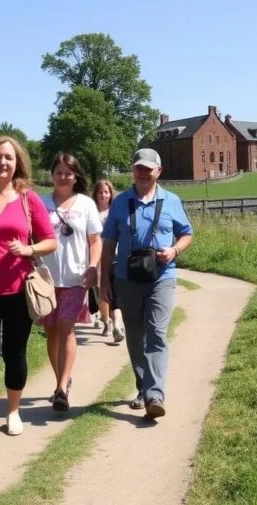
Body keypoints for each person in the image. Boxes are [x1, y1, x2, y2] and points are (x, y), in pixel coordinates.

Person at [0, 136, 57, 445]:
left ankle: (13, 412)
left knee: (14, 352)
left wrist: (28, 249)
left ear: (18, 164)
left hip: (19, 289)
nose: (3, 162)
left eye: (10, 157)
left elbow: (50, 240)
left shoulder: (29, 200)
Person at [100, 148, 193, 420]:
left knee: (157, 333)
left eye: (148, 168)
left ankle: (155, 394)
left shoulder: (172, 201)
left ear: (158, 172)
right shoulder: (120, 203)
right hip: (127, 279)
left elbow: (187, 233)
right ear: (133, 170)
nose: (143, 172)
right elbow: (108, 244)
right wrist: (103, 281)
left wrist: (174, 250)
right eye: (138, 167)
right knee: (135, 335)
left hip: (161, 277)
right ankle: (142, 386)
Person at [39, 153, 102, 411]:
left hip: (76, 278)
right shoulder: (41, 203)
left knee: (66, 328)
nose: (64, 177)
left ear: (76, 176)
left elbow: (95, 241)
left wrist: (93, 267)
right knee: (51, 333)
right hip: (45, 279)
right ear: (52, 175)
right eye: (59, 172)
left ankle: (61, 388)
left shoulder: (86, 204)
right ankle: (62, 381)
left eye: (69, 173)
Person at [89, 179, 125, 342]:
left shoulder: (115, 211)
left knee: (115, 291)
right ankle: (106, 321)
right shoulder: (91, 212)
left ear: (111, 194)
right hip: (96, 257)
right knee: (101, 291)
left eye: (106, 192)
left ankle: (116, 324)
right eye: (100, 192)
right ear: (95, 194)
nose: (103, 195)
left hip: (115, 256)